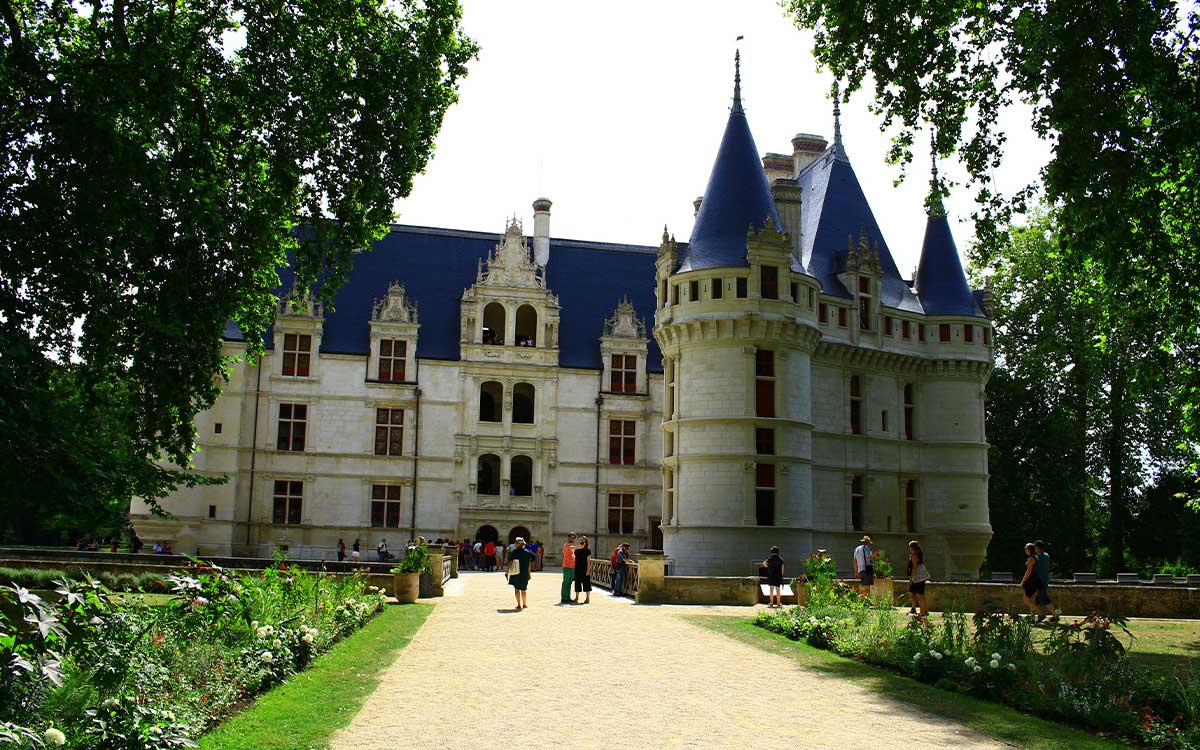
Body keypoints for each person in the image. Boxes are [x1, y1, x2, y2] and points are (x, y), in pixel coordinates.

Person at [506, 537, 534, 609]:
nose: (515, 544)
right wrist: (529, 573)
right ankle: (524, 604)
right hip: (524, 573)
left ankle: (518, 604)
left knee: (517, 589)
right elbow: (529, 565)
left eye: (516, 543)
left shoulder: (514, 552)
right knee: (524, 589)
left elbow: (510, 562)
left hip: (516, 572)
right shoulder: (527, 552)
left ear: (518, 544)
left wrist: (507, 571)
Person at [1034, 540, 1058, 623]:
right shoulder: (1046, 555)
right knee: (1036, 599)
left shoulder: (1038, 557)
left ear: (1037, 547)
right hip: (1044, 580)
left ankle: (1055, 616)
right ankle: (1041, 615)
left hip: (1039, 581)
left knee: (1044, 599)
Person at [906, 540, 930, 620]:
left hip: (917, 577)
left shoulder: (914, 555)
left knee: (919, 595)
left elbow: (914, 567)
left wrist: (912, 578)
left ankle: (923, 611)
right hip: (920, 577)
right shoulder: (918, 554)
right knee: (918, 594)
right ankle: (923, 611)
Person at [1020, 542, 1041, 616]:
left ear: (1029, 550)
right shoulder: (1035, 557)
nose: (1025, 549)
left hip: (1031, 581)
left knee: (1026, 600)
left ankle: (1040, 614)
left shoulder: (1031, 559)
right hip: (1035, 580)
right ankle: (1032, 617)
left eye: (1026, 548)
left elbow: (1028, 572)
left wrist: (1023, 581)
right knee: (1032, 599)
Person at [573, 536, 593, 604]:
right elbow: (570, 550)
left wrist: (588, 570)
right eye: (581, 541)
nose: (582, 542)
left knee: (587, 583)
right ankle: (577, 597)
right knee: (577, 583)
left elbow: (588, 561)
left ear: (586, 542)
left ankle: (587, 598)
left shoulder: (588, 550)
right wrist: (578, 547)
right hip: (577, 568)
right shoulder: (577, 550)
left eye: (584, 541)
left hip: (584, 569)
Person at [560, 532, 579, 603]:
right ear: (568, 538)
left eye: (574, 537)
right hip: (567, 567)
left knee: (569, 583)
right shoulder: (567, 545)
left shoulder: (571, 545)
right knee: (566, 582)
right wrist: (581, 546)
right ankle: (563, 597)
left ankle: (567, 597)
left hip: (572, 567)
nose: (573, 538)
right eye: (572, 537)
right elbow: (573, 548)